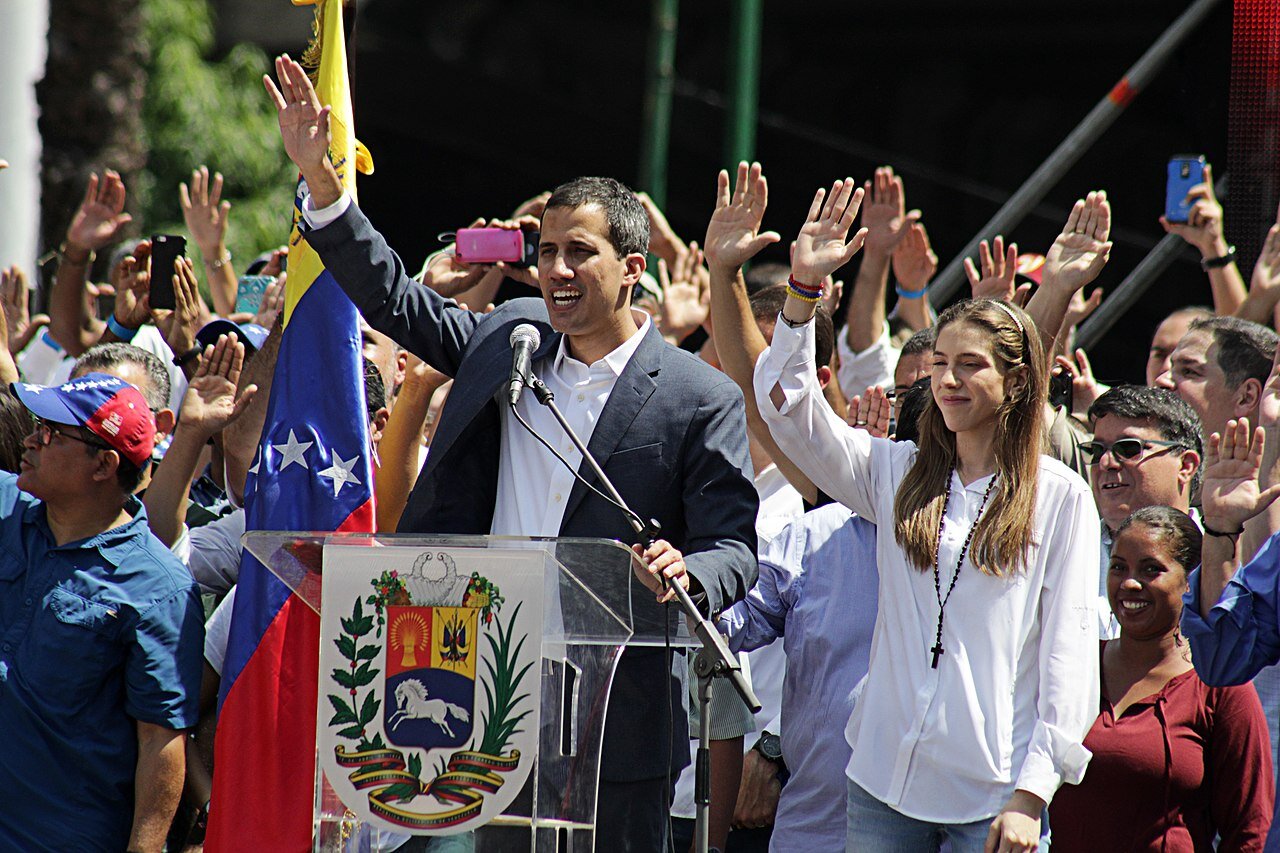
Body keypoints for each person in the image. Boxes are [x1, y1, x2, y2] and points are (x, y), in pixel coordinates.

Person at [264, 54, 758, 850]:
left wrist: (687, 571)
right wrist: (324, 187)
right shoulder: (510, 338)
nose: (555, 270)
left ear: (634, 269)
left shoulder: (698, 397)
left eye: (579, 253)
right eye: (547, 251)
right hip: (484, 693)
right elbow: (394, 295)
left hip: (616, 724)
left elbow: (735, 548)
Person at [750, 172, 1100, 852]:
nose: (946, 379)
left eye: (970, 365)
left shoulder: (1059, 497)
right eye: (939, 362)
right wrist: (801, 292)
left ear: (1018, 378)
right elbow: (790, 411)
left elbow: (1070, 655)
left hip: (993, 794)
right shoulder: (896, 471)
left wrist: (1032, 792)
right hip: (880, 784)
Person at [0, 372, 204, 851]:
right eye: (35, 424)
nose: (29, 440)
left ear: (104, 465)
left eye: (50, 432)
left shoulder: (160, 588)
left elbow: (161, 740)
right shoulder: (7, 505)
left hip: (58, 837)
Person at [1050, 506, 1273, 851]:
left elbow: (1248, 829)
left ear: (1190, 580)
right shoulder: (1073, 665)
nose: (1129, 582)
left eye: (1151, 569)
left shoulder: (1219, 688)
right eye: (1118, 567)